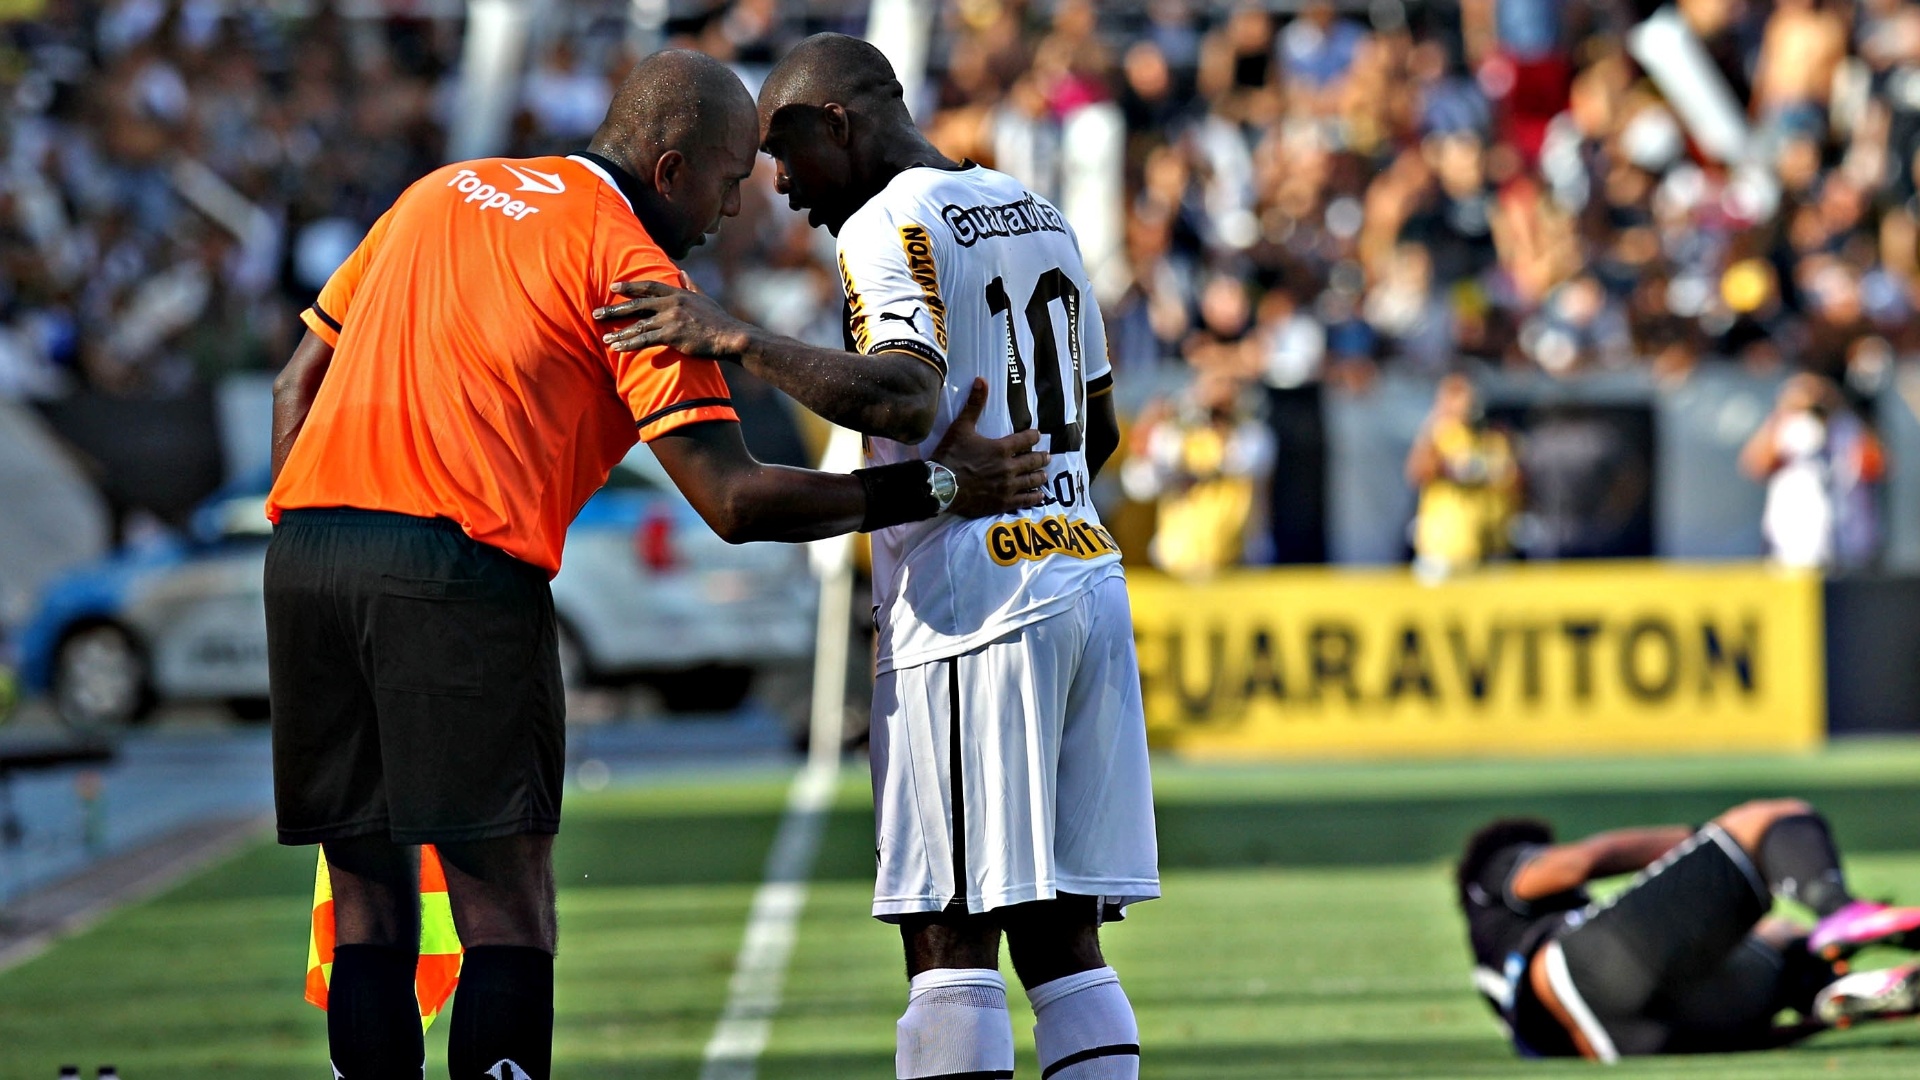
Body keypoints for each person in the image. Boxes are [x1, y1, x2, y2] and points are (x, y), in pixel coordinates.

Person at [265, 50, 1048, 1080]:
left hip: (307, 555)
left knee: (367, 893)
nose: (736, 211)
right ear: (672, 170)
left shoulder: (435, 193)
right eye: (729, 182)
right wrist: (938, 486)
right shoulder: (631, 270)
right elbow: (734, 501)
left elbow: (295, 382)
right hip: (453, 567)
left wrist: (318, 543)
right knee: (503, 897)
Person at [596, 33, 1157, 1080]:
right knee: (1060, 936)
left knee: (947, 941)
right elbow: (1099, 424)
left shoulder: (886, 220)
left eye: (787, 154)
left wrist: (738, 338)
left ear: (839, 125)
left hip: (975, 609)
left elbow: (902, 391)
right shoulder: (1036, 211)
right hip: (1084, 579)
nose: (783, 189)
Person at [1455, 801, 1920, 1061]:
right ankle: (1838, 911)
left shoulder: (1492, 972)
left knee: (1772, 936)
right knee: (1768, 822)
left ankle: (1833, 990)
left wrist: (1810, 1028)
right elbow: (1579, 863)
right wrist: (1709, 839)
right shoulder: (1491, 870)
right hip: (1580, 977)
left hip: (1627, 1044)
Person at [1404, 373, 1518, 579]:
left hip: (1490, 547)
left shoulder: (1494, 438)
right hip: (1445, 549)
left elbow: (1513, 482)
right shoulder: (1440, 435)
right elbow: (1417, 472)